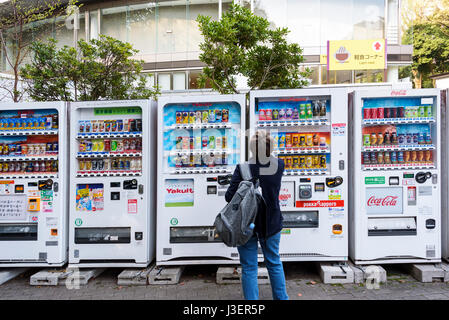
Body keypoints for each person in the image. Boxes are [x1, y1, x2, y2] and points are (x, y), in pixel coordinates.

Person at [224, 130, 288, 300]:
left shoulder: (242, 168)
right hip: (271, 223)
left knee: (249, 268)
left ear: (252, 148)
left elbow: (229, 197)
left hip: (246, 225)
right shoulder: (279, 165)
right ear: (270, 147)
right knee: (274, 263)